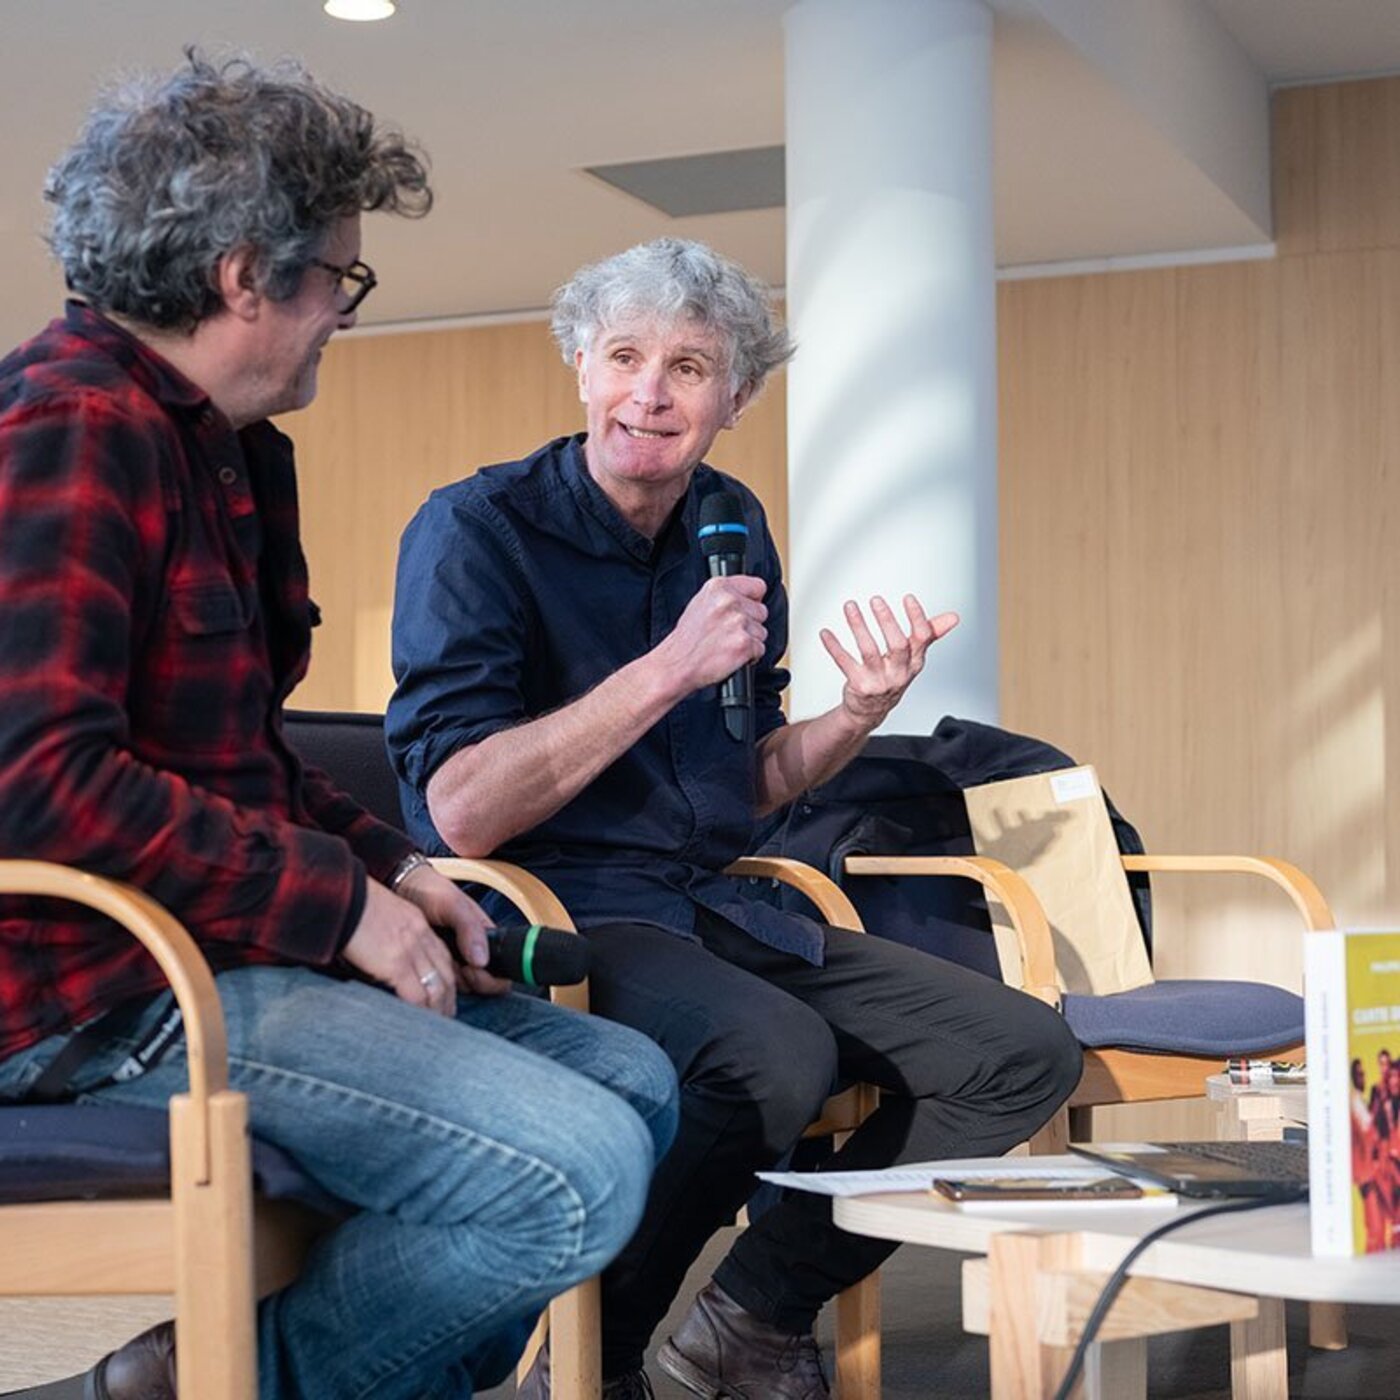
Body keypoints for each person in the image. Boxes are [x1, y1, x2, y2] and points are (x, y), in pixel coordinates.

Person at [0, 55, 678, 1400]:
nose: (344, 317)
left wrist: (396, 868)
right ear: (246, 277)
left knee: (633, 1079)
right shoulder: (68, 429)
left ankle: (206, 1377)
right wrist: (334, 905)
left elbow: (242, 762)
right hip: (99, 995)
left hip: (221, 954)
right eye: (337, 279)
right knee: (575, 1171)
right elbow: (36, 782)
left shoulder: (227, 446)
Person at [387, 237, 1083, 1399]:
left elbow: (746, 781)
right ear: (579, 365)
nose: (649, 393)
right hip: (554, 911)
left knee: (1019, 1053)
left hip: (710, 905)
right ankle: (588, 1360)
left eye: (688, 367)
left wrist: (857, 712)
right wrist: (664, 667)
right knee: (771, 1054)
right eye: (624, 356)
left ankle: (748, 1312)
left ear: (736, 397)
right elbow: (457, 811)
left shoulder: (726, 519)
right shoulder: (475, 529)